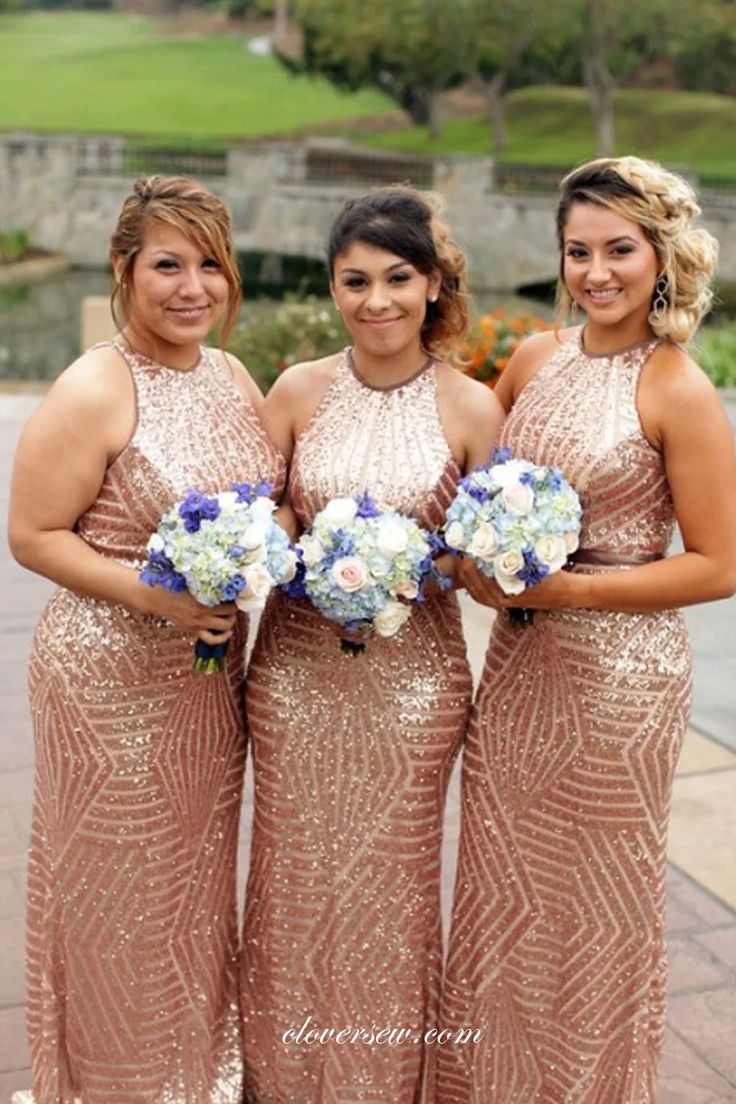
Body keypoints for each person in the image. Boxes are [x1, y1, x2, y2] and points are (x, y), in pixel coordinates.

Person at [439, 156, 736, 1103]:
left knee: (593, 897)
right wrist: (481, 565)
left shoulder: (679, 388)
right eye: (578, 251)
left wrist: (576, 596)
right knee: (504, 879)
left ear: (661, 256)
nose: (597, 273)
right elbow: (487, 491)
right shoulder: (533, 357)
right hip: (523, 665)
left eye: (620, 250)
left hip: (620, 680)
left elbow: (719, 564)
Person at [8, 175, 283, 1103]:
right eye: (168, 264)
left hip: (204, 685)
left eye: (212, 264)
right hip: (107, 678)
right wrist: (158, 600)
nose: (192, 286)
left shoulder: (232, 376)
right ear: (125, 271)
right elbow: (33, 534)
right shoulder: (94, 386)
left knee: (189, 888)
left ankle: (186, 1074)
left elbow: (265, 500)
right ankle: (110, 1081)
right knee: (115, 892)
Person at [238, 185, 504, 1103]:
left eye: (399, 278)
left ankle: (381, 1080)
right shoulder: (297, 389)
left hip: (416, 687)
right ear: (333, 287)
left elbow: (486, 558)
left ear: (434, 285)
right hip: (296, 678)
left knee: (391, 892)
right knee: (292, 881)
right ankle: (282, 1078)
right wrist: (285, 544)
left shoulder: (472, 409)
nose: (377, 300)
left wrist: (439, 566)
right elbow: (267, 506)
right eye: (356, 281)